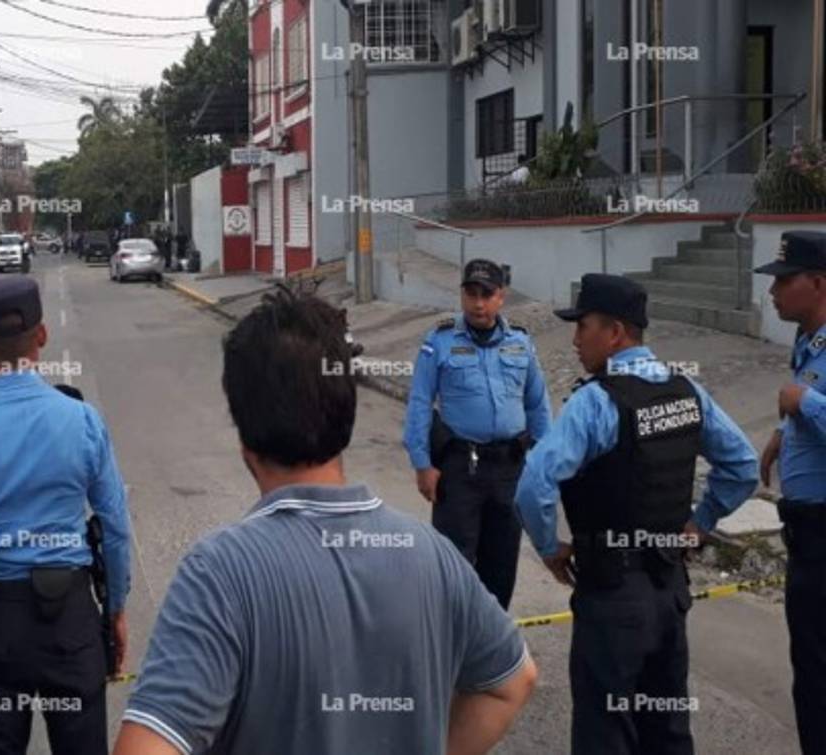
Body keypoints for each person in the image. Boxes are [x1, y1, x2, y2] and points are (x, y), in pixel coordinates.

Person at [114, 287, 537, 755]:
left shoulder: (220, 572)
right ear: (347, 413)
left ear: (242, 431)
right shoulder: (433, 555)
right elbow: (512, 681)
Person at [514, 273, 758, 755]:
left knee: (605, 735)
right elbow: (743, 465)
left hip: (612, 598)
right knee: (666, 731)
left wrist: (549, 549)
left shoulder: (595, 402)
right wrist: (700, 523)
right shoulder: (687, 392)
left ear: (615, 332)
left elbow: (533, 484)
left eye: (582, 326)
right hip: (669, 594)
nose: (576, 339)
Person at [0, 275, 132, 755]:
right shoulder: (82, 421)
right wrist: (114, 609)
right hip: (72, 625)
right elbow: (115, 528)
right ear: (43, 335)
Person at [403, 258, 551, 609]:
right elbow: (420, 404)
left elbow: (538, 406)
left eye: (487, 294)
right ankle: (452, 642)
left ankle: (493, 642)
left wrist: (544, 463)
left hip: (509, 469)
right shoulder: (439, 341)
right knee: (452, 565)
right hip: (459, 470)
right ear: (462, 295)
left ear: (501, 297)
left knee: (501, 564)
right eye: (471, 294)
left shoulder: (520, 342)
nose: (478, 303)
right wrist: (422, 464)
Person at [753, 230, 826, 754]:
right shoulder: (808, 342)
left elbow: (811, 400)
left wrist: (804, 403)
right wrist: (783, 433)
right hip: (806, 529)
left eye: (784, 281)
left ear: (818, 283)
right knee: (810, 662)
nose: (773, 293)